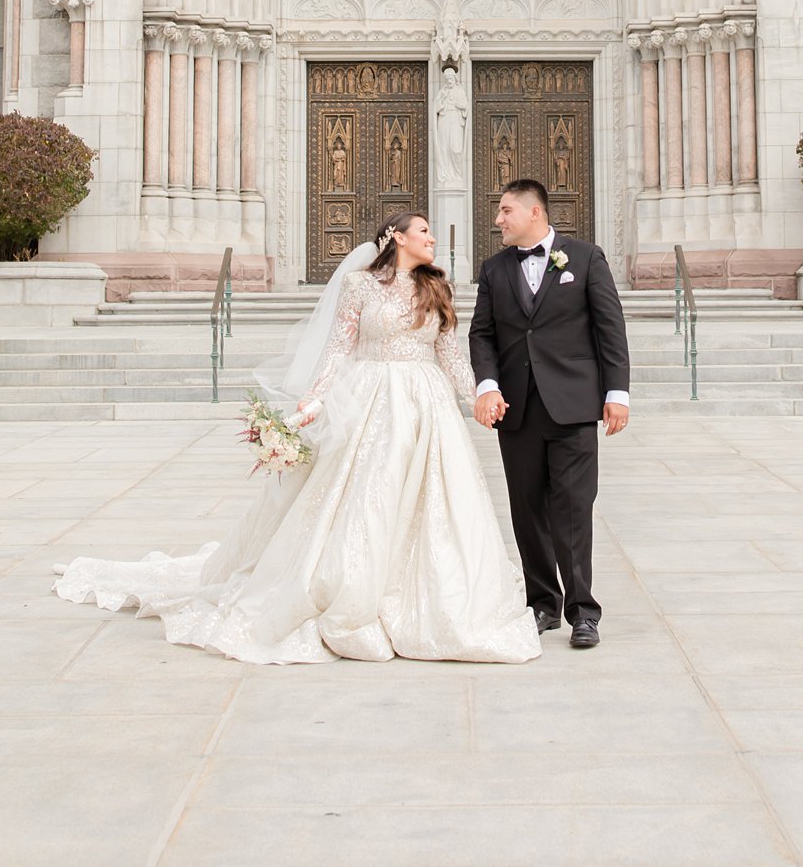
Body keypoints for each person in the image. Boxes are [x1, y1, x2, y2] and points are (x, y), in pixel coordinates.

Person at [54, 213, 539, 665]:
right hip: (373, 401)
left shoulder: (437, 287)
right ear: (397, 238)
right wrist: (312, 402)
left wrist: (479, 394)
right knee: (371, 495)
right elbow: (336, 349)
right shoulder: (359, 286)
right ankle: (353, 594)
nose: (433, 238)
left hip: (427, 405)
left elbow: (448, 354)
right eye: (424, 231)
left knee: (435, 499)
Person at [468, 177, 630, 649]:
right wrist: (488, 385)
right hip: (516, 409)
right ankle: (543, 603)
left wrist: (617, 393)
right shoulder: (494, 269)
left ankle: (584, 611)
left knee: (574, 507)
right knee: (526, 508)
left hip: (574, 405)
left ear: (534, 212)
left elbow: (610, 329)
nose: (498, 219)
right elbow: (482, 334)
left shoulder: (585, 258)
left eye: (505, 211)